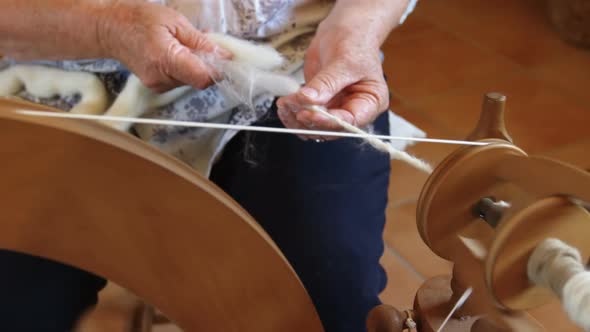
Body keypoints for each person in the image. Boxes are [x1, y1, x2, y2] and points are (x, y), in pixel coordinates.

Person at [0, 0, 419, 331]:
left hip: (296, 71)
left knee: (322, 307)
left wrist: (354, 33)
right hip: (42, 68)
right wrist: (105, 25)